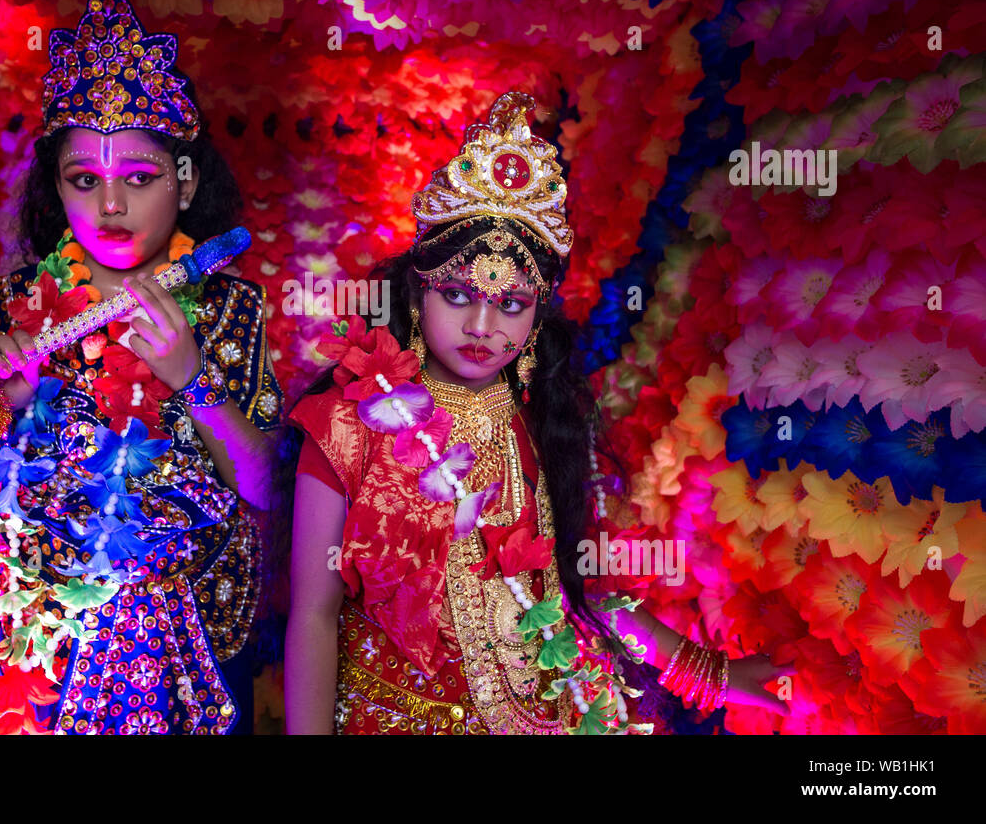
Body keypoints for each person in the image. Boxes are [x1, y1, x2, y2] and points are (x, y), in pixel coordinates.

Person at [284, 91, 791, 734]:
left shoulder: (537, 423)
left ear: (538, 315)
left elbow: (568, 595)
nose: (482, 324)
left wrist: (706, 671)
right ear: (417, 293)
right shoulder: (347, 422)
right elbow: (312, 615)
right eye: (459, 294)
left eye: (512, 304)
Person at [0, 0, 284, 734]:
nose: (110, 204)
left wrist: (192, 377)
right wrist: (1, 401)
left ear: (185, 184)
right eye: (83, 179)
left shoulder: (227, 305)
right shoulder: (9, 308)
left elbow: (264, 487)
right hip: (53, 645)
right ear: (57, 189)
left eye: (140, 177)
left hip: (198, 650)